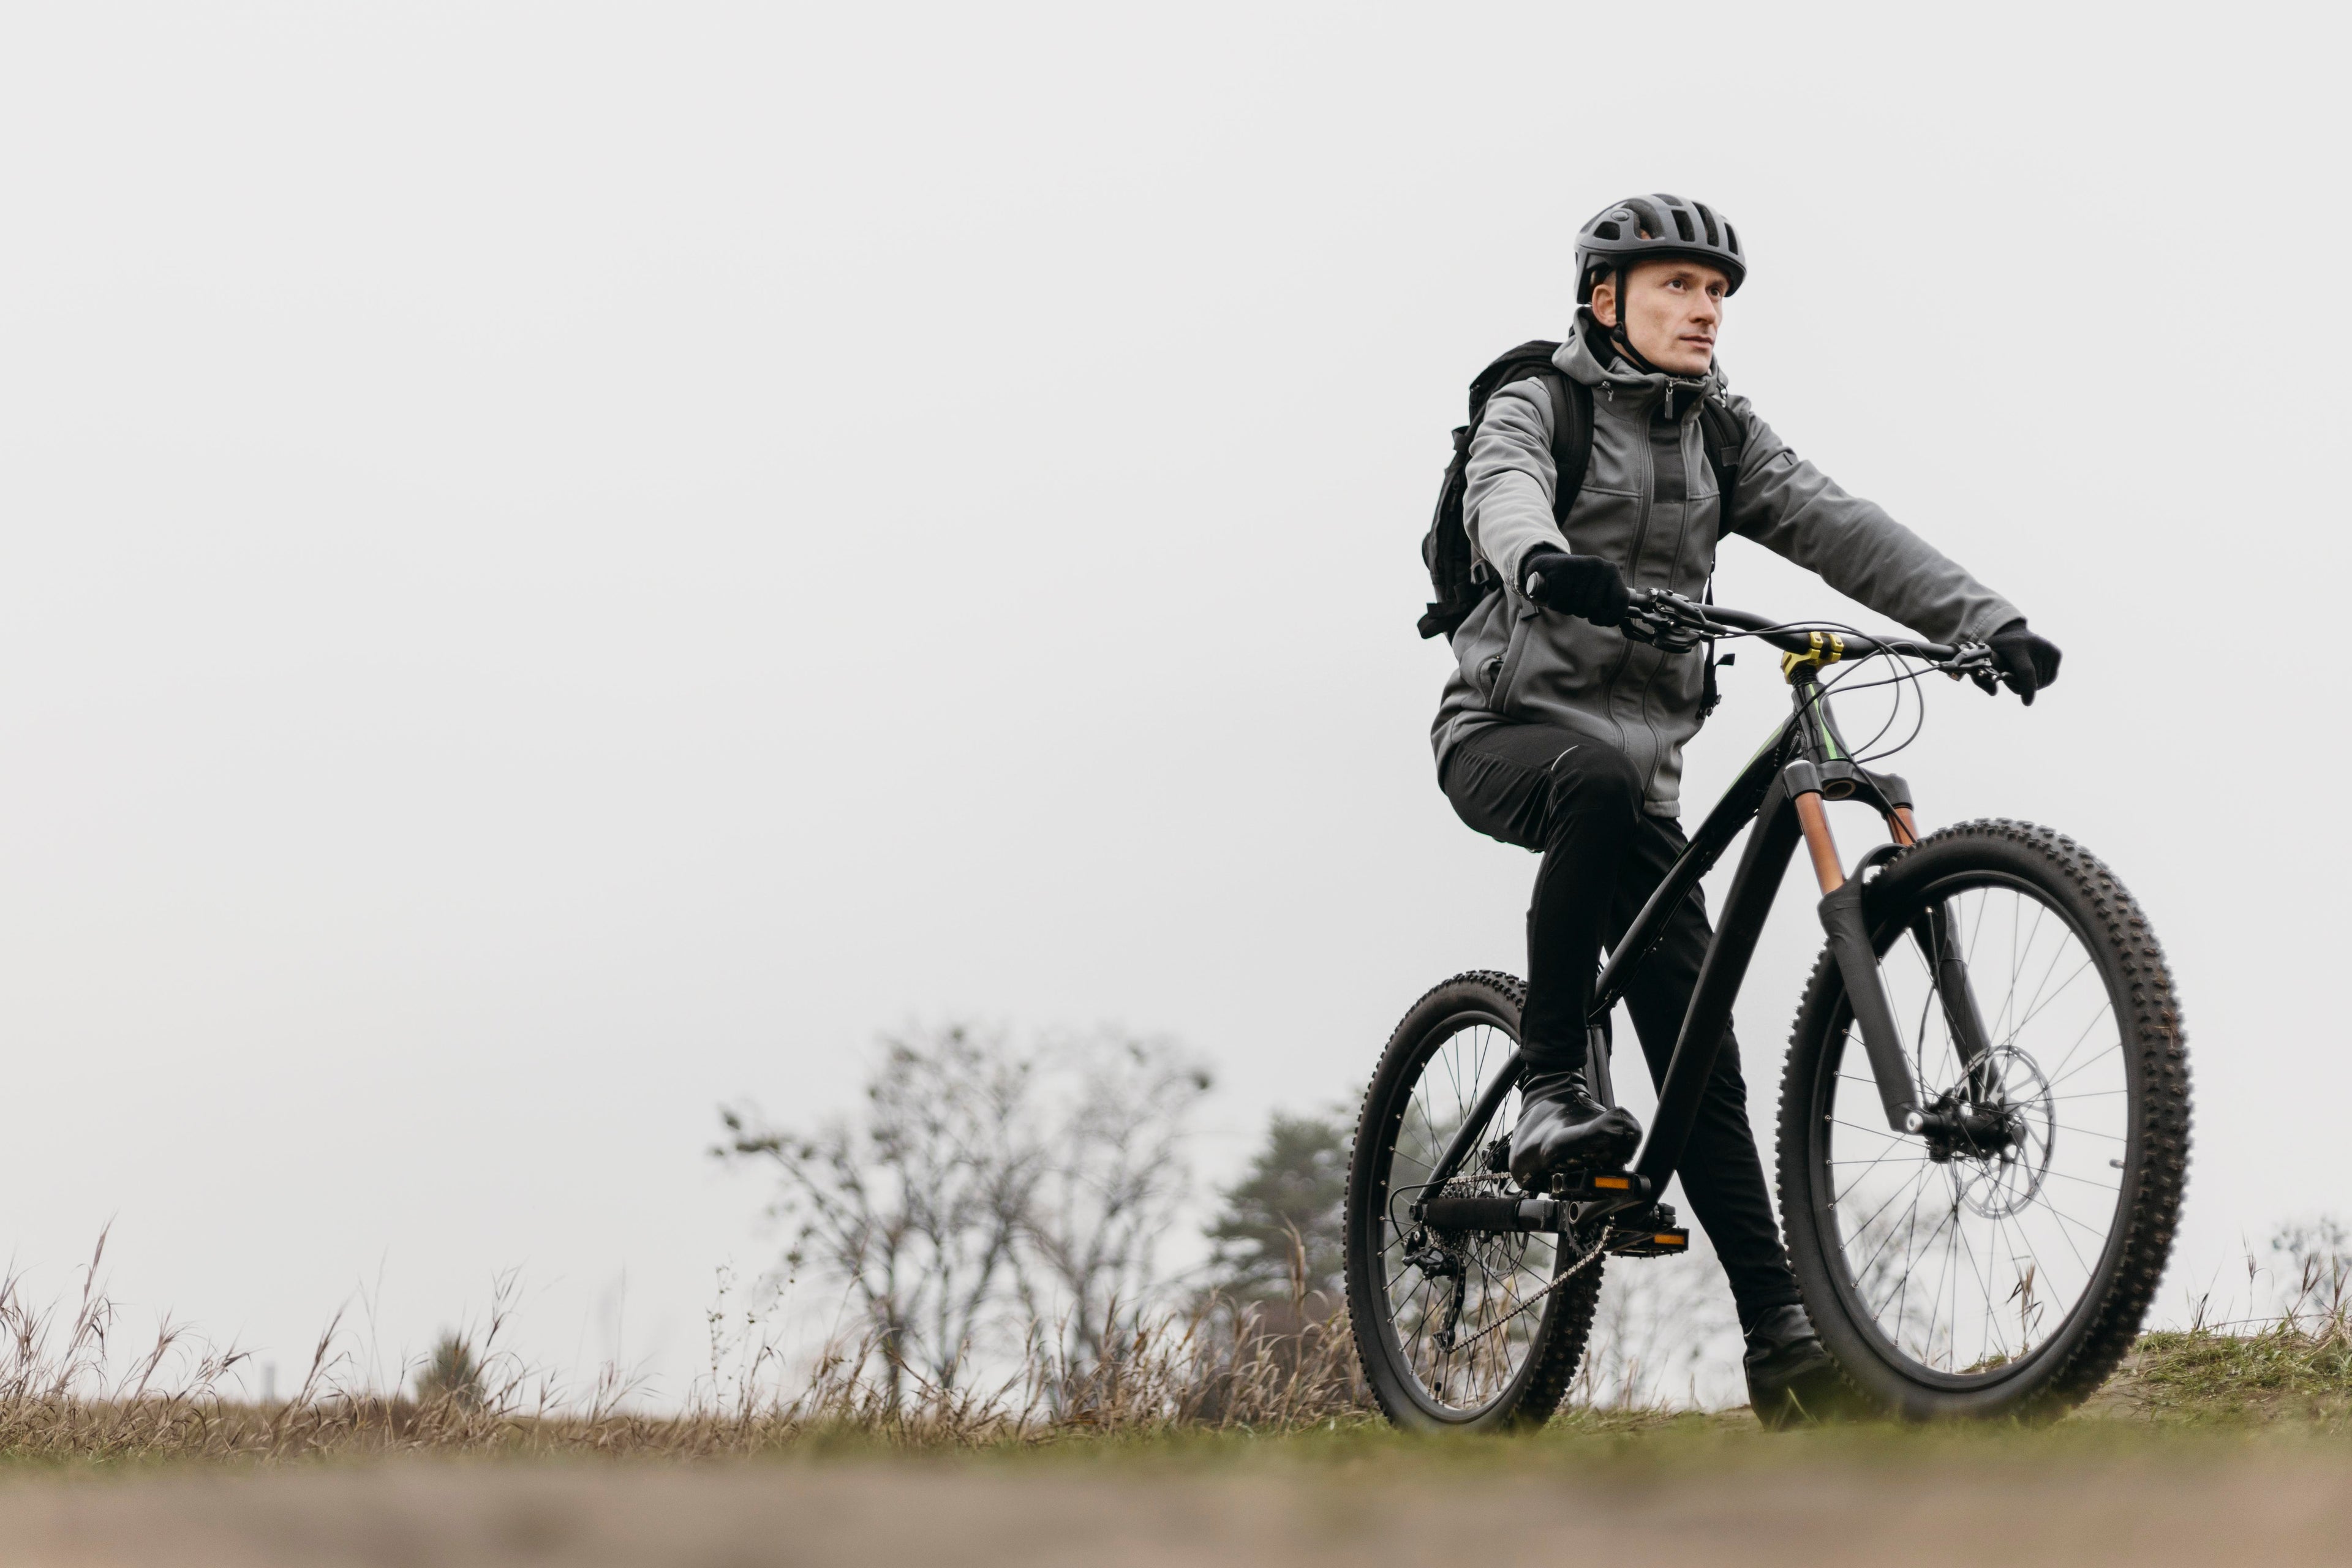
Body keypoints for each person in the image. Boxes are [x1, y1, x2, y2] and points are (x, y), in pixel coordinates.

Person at [1430, 193, 2061, 1421]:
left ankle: (1782, 1337)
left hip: (1642, 781)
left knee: (1699, 1042)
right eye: (1676, 287)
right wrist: (1545, 558)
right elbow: (1500, 492)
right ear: (1606, 299)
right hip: (1507, 737)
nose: (1704, 310)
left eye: (1717, 293)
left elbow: (1839, 524)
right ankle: (1554, 1074)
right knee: (1597, 782)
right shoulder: (1537, 401)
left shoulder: (1720, 431)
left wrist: (1984, 620)